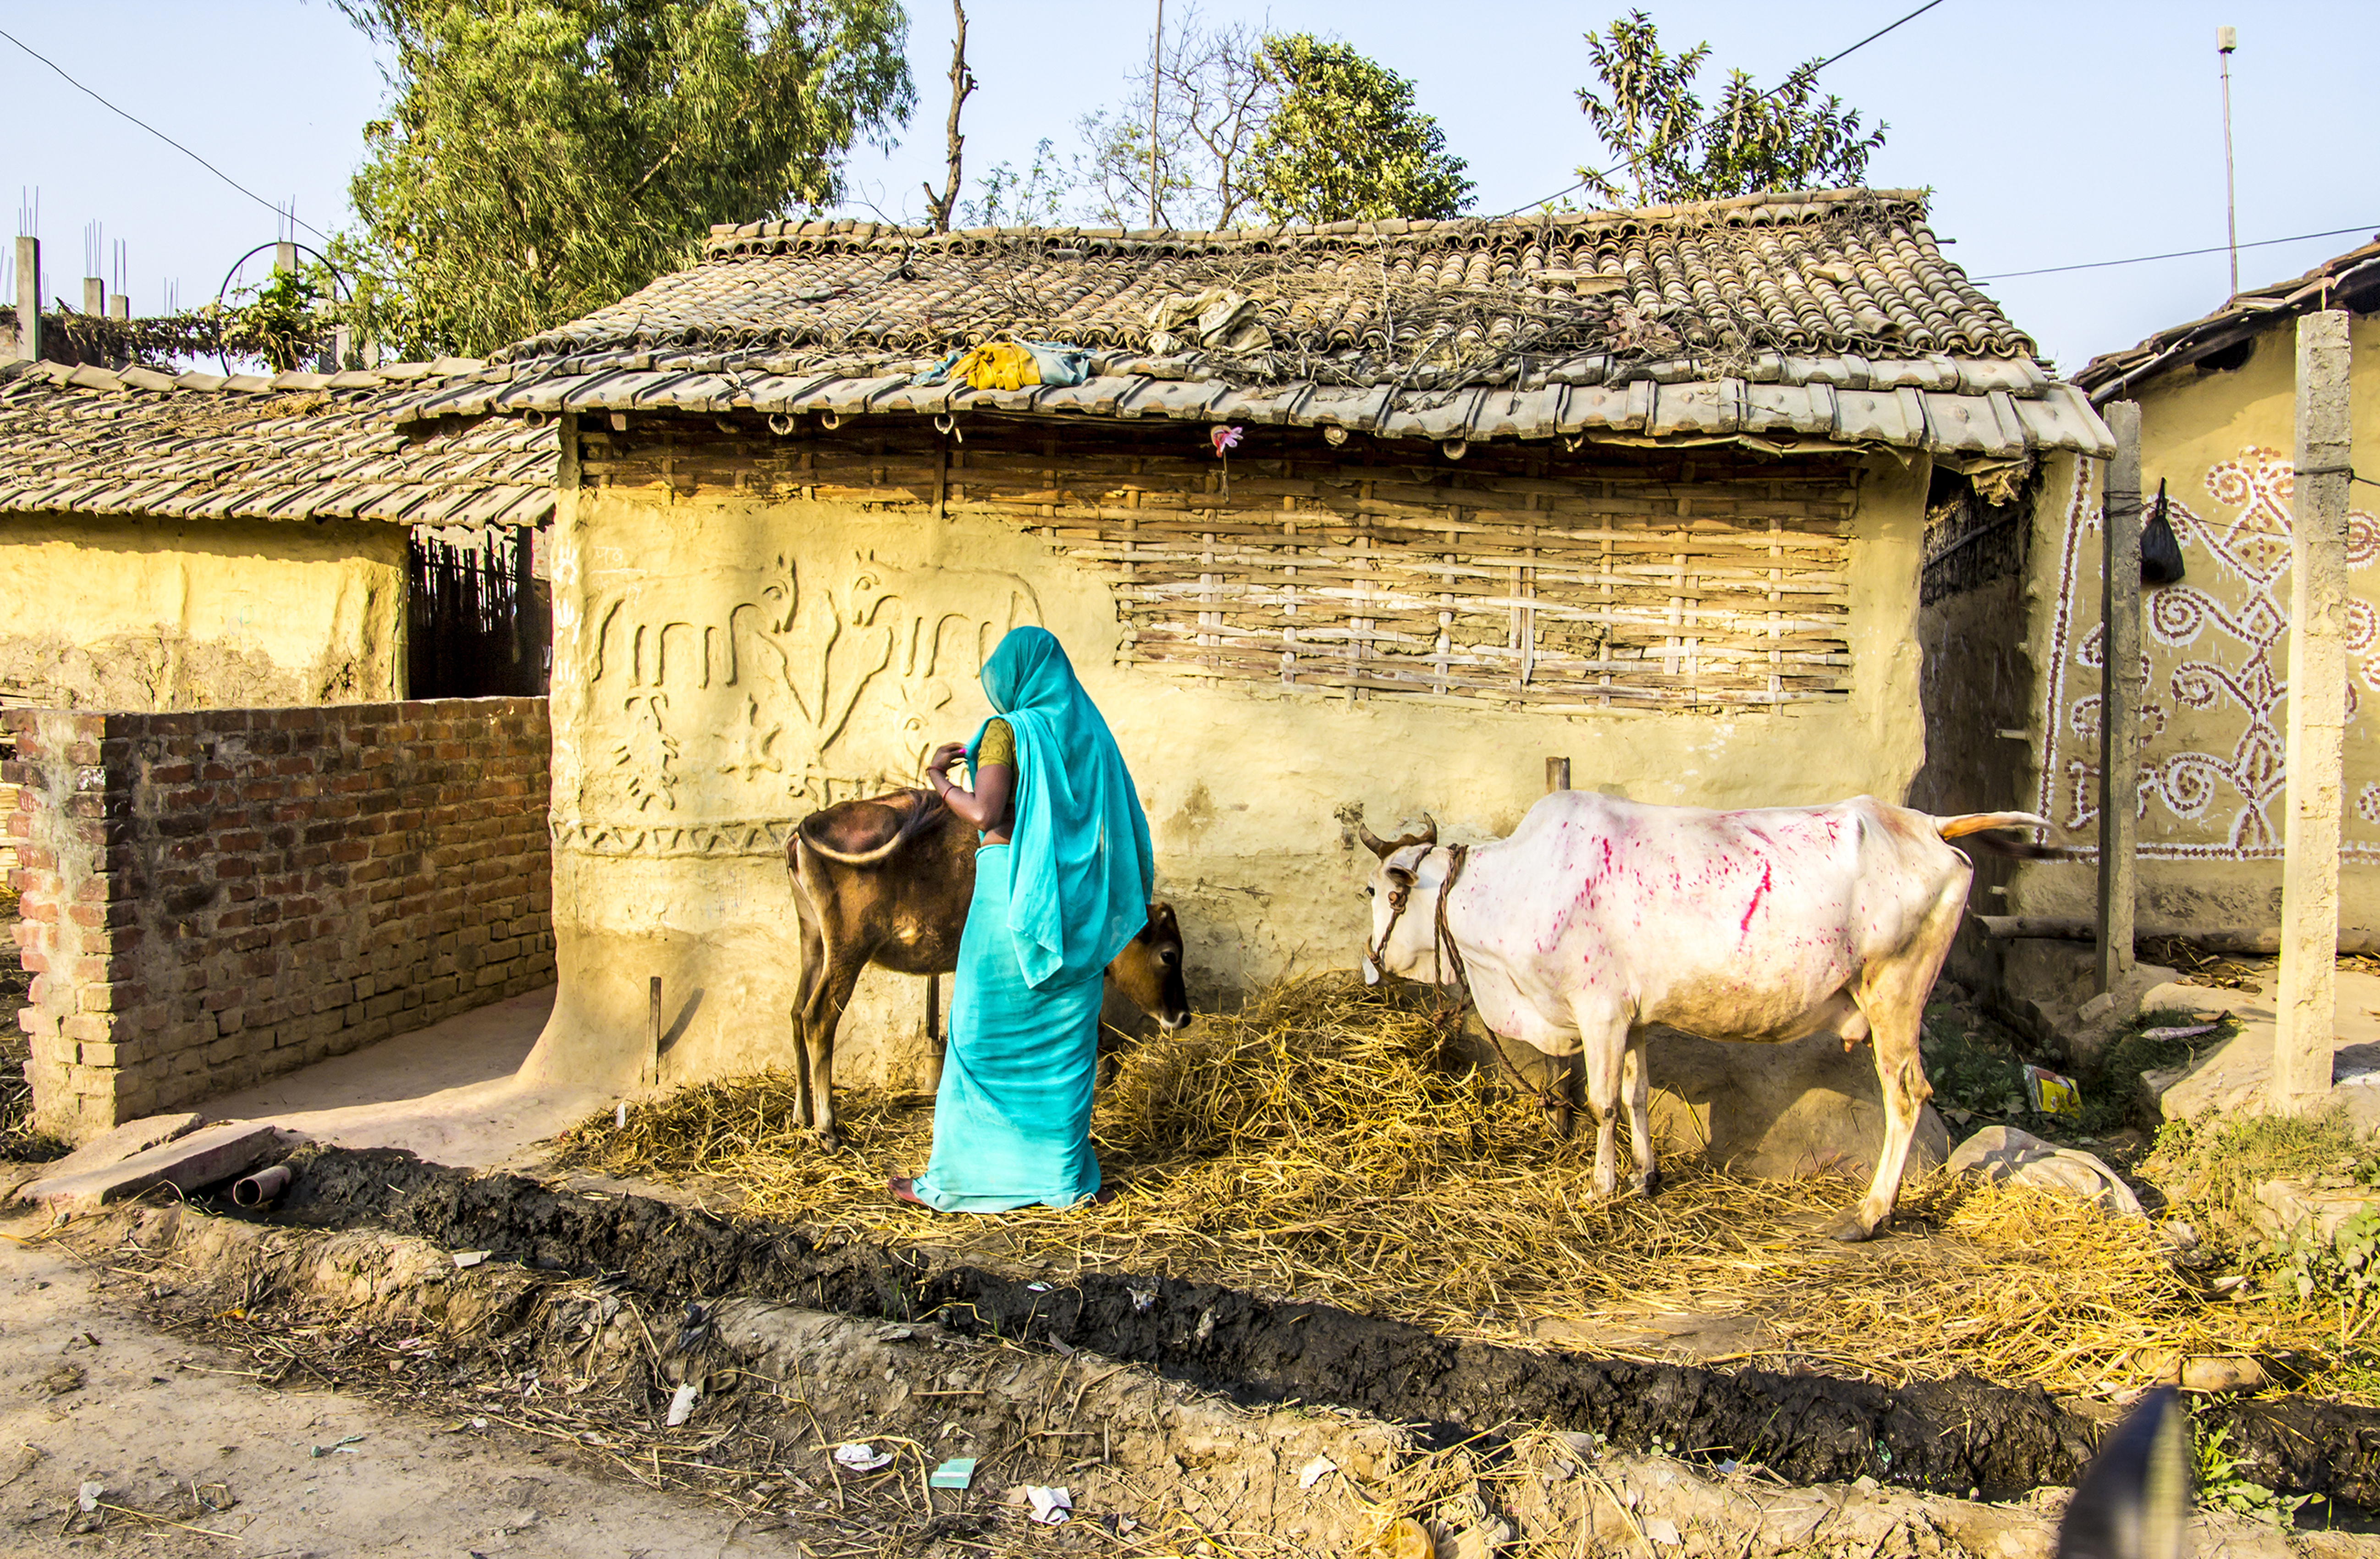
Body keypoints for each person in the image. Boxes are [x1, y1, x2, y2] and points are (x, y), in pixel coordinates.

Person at [889, 626, 1155, 1211]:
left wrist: (938, 780)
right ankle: (1057, 1180)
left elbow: (984, 809)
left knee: (978, 1040)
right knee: (1063, 1051)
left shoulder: (1007, 731)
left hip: (1010, 899)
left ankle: (956, 1180)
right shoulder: (1093, 737)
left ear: (1016, 679)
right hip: (1076, 908)